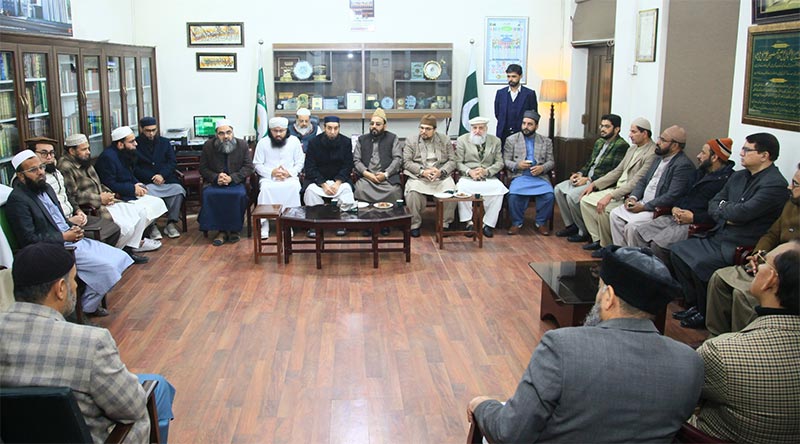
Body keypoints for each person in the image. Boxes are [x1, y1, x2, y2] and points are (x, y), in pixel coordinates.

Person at [468, 246, 703, 443]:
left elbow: (509, 434)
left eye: (600, 289)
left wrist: (482, 405)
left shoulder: (561, 347)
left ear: (609, 297)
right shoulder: (690, 362)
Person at [0, 242, 176, 443]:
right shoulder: (89, 343)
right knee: (157, 387)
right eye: (74, 279)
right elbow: (133, 407)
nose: (76, 286)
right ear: (60, 288)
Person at [671, 133, 789, 329]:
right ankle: (696, 305)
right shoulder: (739, 176)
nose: (741, 154)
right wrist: (728, 212)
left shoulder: (774, 184)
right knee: (677, 251)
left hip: (738, 243)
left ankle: (705, 312)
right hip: (719, 234)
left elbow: (744, 213)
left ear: (764, 155)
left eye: (747, 150)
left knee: (699, 263)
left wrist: (727, 210)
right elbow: (714, 203)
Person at [695, 240, 800, 444]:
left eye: (763, 261)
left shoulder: (722, 353)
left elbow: (682, 396)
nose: (755, 266)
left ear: (770, 279)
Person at [5, 150, 133, 316]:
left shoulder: (47, 188)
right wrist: (63, 237)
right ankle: (84, 309)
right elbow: (29, 240)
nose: (40, 172)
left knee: (120, 258)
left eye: (41, 167)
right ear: (21, 176)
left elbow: (58, 218)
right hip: (56, 249)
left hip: (72, 238)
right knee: (107, 269)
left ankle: (85, 302)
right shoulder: (18, 200)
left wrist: (72, 228)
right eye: (33, 170)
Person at [703, 163, 800, 337]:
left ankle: (743, 342)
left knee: (743, 295)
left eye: (795, 184)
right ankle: (716, 336)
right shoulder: (791, 204)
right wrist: (758, 254)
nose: (789, 186)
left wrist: (770, 263)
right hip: (770, 263)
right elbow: (771, 234)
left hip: (788, 276)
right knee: (719, 278)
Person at [630, 137, 735, 263]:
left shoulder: (728, 181)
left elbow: (719, 214)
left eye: (703, 153)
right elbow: (680, 193)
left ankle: (660, 277)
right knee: (639, 233)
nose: (698, 156)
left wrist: (694, 217)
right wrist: (675, 206)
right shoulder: (699, 172)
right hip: (676, 215)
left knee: (658, 245)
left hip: (694, 223)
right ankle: (641, 270)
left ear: (714, 158)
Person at [58, 133, 159, 263]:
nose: (88, 152)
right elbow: (72, 196)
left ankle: (128, 249)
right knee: (127, 226)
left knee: (141, 213)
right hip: (94, 207)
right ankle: (119, 253)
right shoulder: (65, 167)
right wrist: (99, 198)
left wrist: (108, 194)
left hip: (106, 200)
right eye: (84, 149)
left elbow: (98, 183)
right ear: (72, 151)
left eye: (88, 148)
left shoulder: (84, 161)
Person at [604, 125, 696, 254]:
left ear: (675, 145)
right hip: (641, 202)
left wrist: (644, 207)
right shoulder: (658, 158)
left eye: (663, 140)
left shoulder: (682, 165)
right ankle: (621, 254)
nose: (657, 142)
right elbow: (643, 181)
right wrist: (633, 197)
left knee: (632, 227)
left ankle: (634, 260)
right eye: (659, 138)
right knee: (615, 214)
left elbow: (672, 195)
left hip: (655, 209)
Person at [26, 136, 121, 247]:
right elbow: (45, 210)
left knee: (114, 228)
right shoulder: (34, 181)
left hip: (75, 216)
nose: (49, 157)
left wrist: (78, 210)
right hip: (61, 225)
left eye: (52, 153)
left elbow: (68, 195)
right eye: (44, 153)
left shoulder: (55, 171)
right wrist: (68, 220)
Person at [578, 117, 658, 248]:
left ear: (644, 133)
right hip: (617, 188)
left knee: (603, 208)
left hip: (629, 194)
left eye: (633, 132)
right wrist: (594, 184)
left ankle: (606, 245)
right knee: (585, 201)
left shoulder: (651, 153)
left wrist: (610, 196)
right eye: (630, 131)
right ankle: (597, 239)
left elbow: (636, 181)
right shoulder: (632, 149)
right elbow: (617, 171)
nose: (630, 135)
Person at [554, 114, 629, 243]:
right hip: (587, 178)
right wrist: (579, 174)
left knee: (572, 196)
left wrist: (589, 180)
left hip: (600, 183)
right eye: (602, 126)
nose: (603, 129)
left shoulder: (621, 146)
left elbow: (612, 172)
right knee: (558, 189)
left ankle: (583, 231)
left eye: (607, 126)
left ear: (617, 129)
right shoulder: (599, 142)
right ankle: (571, 225)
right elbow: (590, 164)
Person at [95, 126, 168, 238]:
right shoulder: (108, 158)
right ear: (120, 144)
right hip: (118, 196)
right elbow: (109, 183)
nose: (136, 144)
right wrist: (132, 189)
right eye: (132, 141)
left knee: (157, 203)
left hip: (128, 190)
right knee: (143, 211)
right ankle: (136, 242)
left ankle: (139, 239)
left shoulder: (124, 154)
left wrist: (137, 183)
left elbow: (129, 174)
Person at [198, 119, 254, 246]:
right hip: (215, 183)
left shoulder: (242, 145)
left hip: (236, 182)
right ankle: (221, 231)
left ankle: (234, 230)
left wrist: (232, 178)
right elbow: (203, 168)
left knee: (238, 195)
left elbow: (248, 167)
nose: (226, 136)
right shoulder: (208, 146)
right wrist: (216, 177)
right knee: (210, 195)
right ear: (216, 134)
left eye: (229, 132)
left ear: (233, 132)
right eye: (221, 133)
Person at [402, 114, 457, 238]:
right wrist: (423, 172)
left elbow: (452, 161)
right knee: (412, 192)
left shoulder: (444, 139)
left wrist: (440, 172)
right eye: (421, 128)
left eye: (427, 129)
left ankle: (444, 224)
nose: (423, 131)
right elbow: (406, 162)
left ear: (435, 130)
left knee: (451, 189)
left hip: (440, 176)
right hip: (419, 176)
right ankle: (414, 224)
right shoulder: (411, 140)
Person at [455, 116, 508, 238]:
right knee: (461, 190)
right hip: (468, 176)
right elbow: (458, 162)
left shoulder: (495, 141)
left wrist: (486, 171)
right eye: (474, 128)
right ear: (471, 129)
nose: (477, 131)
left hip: (488, 176)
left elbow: (499, 162)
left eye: (481, 128)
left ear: (486, 129)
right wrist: (470, 171)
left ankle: (488, 224)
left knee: (499, 190)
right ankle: (468, 223)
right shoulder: (462, 140)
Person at [303, 115, 355, 238]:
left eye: (335, 128)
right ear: (324, 128)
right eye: (329, 128)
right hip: (319, 182)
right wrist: (324, 184)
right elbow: (310, 167)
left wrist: (337, 183)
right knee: (310, 192)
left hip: (339, 181)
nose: (332, 132)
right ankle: (314, 224)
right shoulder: (314, 143)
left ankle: (341, 223)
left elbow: (348, 166)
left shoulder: (346, 142)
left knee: (347, 191)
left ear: (339, 128)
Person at [134, 116, 186, 239]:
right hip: (148, 181)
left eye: (153, 130)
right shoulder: (136, 144)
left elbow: (172, 162)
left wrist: (162, 175)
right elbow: (135, 167)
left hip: (166, 178)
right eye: (148, 130)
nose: (151, 133)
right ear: (141, 129)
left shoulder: (165, 142)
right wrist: (153, 177)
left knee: (178, 191)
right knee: (147, 193)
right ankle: (152, 225)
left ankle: (171, 223)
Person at [504, 110, 555, 236]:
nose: (525, 127)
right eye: (524, 123)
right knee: (514, 195)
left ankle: (541, 223)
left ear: (536, 126)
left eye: (529, 124)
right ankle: (517, 223)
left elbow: (551, 162)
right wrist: (517, 165)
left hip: (539, 176)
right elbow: (505, 161)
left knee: (549, 195)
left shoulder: (546, 141)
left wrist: (542, 168)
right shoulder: (512, 140)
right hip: (520, 175)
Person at [253, 116, 304, 239]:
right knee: (265, 189)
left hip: (289, 177)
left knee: (293, 187)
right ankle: (265, 225)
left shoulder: (294, 141)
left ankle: (288, 224)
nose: (278, 134)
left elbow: (300, 162)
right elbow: (257, 164)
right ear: (270, 131)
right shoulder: (263, 143)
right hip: (268, 178)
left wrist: (289, 173)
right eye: (275, 131)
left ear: (287, 130)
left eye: (281, 131)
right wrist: (272, 172)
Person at [353, 108, 402, 236]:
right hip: (368, 178)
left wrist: (385, 174)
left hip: (386, 178)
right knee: (360, 189)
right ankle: (367, 223)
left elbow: (398, 159)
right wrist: (366, 174)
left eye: (378, 124)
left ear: (384, 126)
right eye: (372, 123)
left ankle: (385, 223)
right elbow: (356, 160)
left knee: (393, 191)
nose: (374, 126)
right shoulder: (362, 139)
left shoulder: (393, 138)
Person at [494, 63, 538, 146]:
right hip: (503, 133)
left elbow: (533, 115)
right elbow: (497, 113)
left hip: (522, 133)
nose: (511, 79)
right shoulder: (500, 93)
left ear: (520, 76)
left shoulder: (529, 94)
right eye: (508, 76)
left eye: (514, 76)